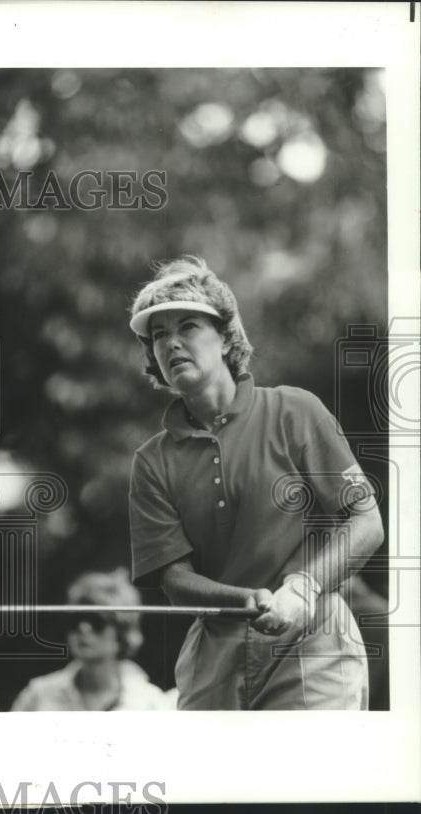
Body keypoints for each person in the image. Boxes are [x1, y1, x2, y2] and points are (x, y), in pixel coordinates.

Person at [127, 256, 383, 710]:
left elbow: (365, 520)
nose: (171, 344)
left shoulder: (295, 411)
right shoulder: (152, 461)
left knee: (308, 780)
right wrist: (249, 599)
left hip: (313, 634)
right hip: (215, 648)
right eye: (159, 335)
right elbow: (175, 578)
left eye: (188, 327)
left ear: (225, 337)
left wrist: (304, 586)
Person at [10, 569, 174, 711]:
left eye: (96, 621)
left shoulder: (150, 702)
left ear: (122, 631)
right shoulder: (37, 695)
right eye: (76, 619)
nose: (83, 629)